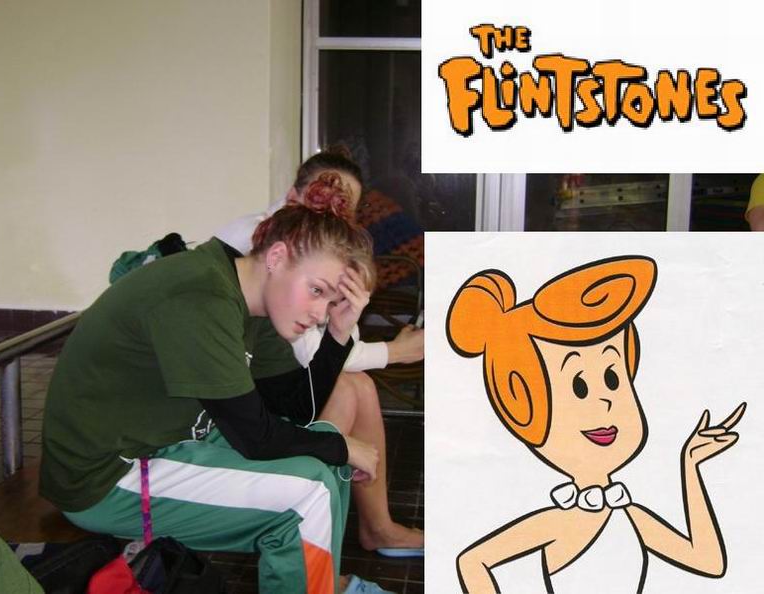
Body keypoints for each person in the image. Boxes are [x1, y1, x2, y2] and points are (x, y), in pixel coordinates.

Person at [40, 200, 392, 594]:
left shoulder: (255, 300)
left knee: (324, 451)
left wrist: (339, 335)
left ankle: (323, 585)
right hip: (104, 477)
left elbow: (297, 410)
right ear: (276, 257)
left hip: (163, 442)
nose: (320, 314)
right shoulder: (200, 296)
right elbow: (256, 438)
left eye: (331, 303)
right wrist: (342, 447)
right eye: (317, 291)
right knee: (311, 489)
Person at [447, 257, 744, 593]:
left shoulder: (630, 515)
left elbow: (708, 561)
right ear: (524, 405)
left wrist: (690, 464)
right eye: (579, 386)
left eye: (613, 379)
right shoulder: (559, 523)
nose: (604, 401)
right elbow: (472, 561)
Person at [216, 150, 425, 555]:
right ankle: (303, 547)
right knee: (346, 388)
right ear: (293, 196)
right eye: (322, 200)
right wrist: (395, 352)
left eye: (343, 209)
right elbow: (313, 349)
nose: (331, 215)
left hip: (264, 375)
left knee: (358, 386)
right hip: (235, 391)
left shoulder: (312, 245)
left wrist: (353, 326)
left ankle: (376, 529)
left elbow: (332, 339)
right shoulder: (266, 243)